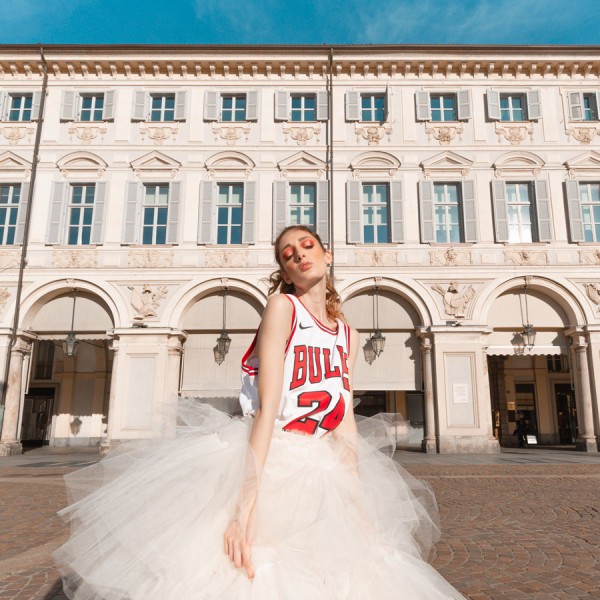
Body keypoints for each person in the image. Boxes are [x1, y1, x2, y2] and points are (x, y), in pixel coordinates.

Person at [54, 225, 464, 599]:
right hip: (275, 457)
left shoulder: (349, 335)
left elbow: (345, 422)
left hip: (324, 468)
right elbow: (267, 410)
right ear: (285, 273)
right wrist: (243, 510)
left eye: (307, 246)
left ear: (328, 255)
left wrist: (359, 504)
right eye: (288, 255)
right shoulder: (283, 308)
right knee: (255, 568)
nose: (299, 255)